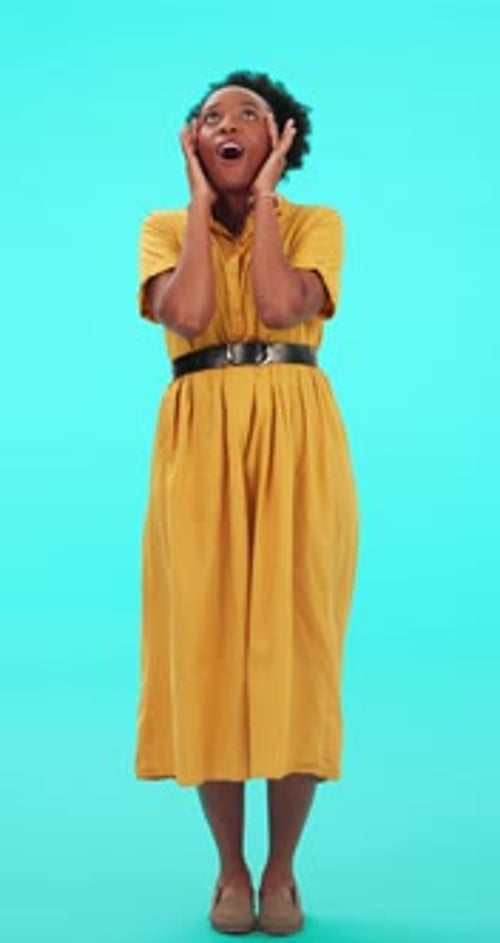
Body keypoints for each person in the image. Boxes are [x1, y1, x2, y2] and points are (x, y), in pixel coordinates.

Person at [134, 70, 359, 935]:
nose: (226, 124)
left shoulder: (315, 222)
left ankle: (282, 867)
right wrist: (200, 207)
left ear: (281, 139)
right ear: (192, 142)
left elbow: (278, 304)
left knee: (295, 650)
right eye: (209, 116)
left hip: (297, 445)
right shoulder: (164, 228)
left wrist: (264, 200)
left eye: (249, 114)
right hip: (199, 450)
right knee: (207, 651)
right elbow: (190, 315)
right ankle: (229, 866)